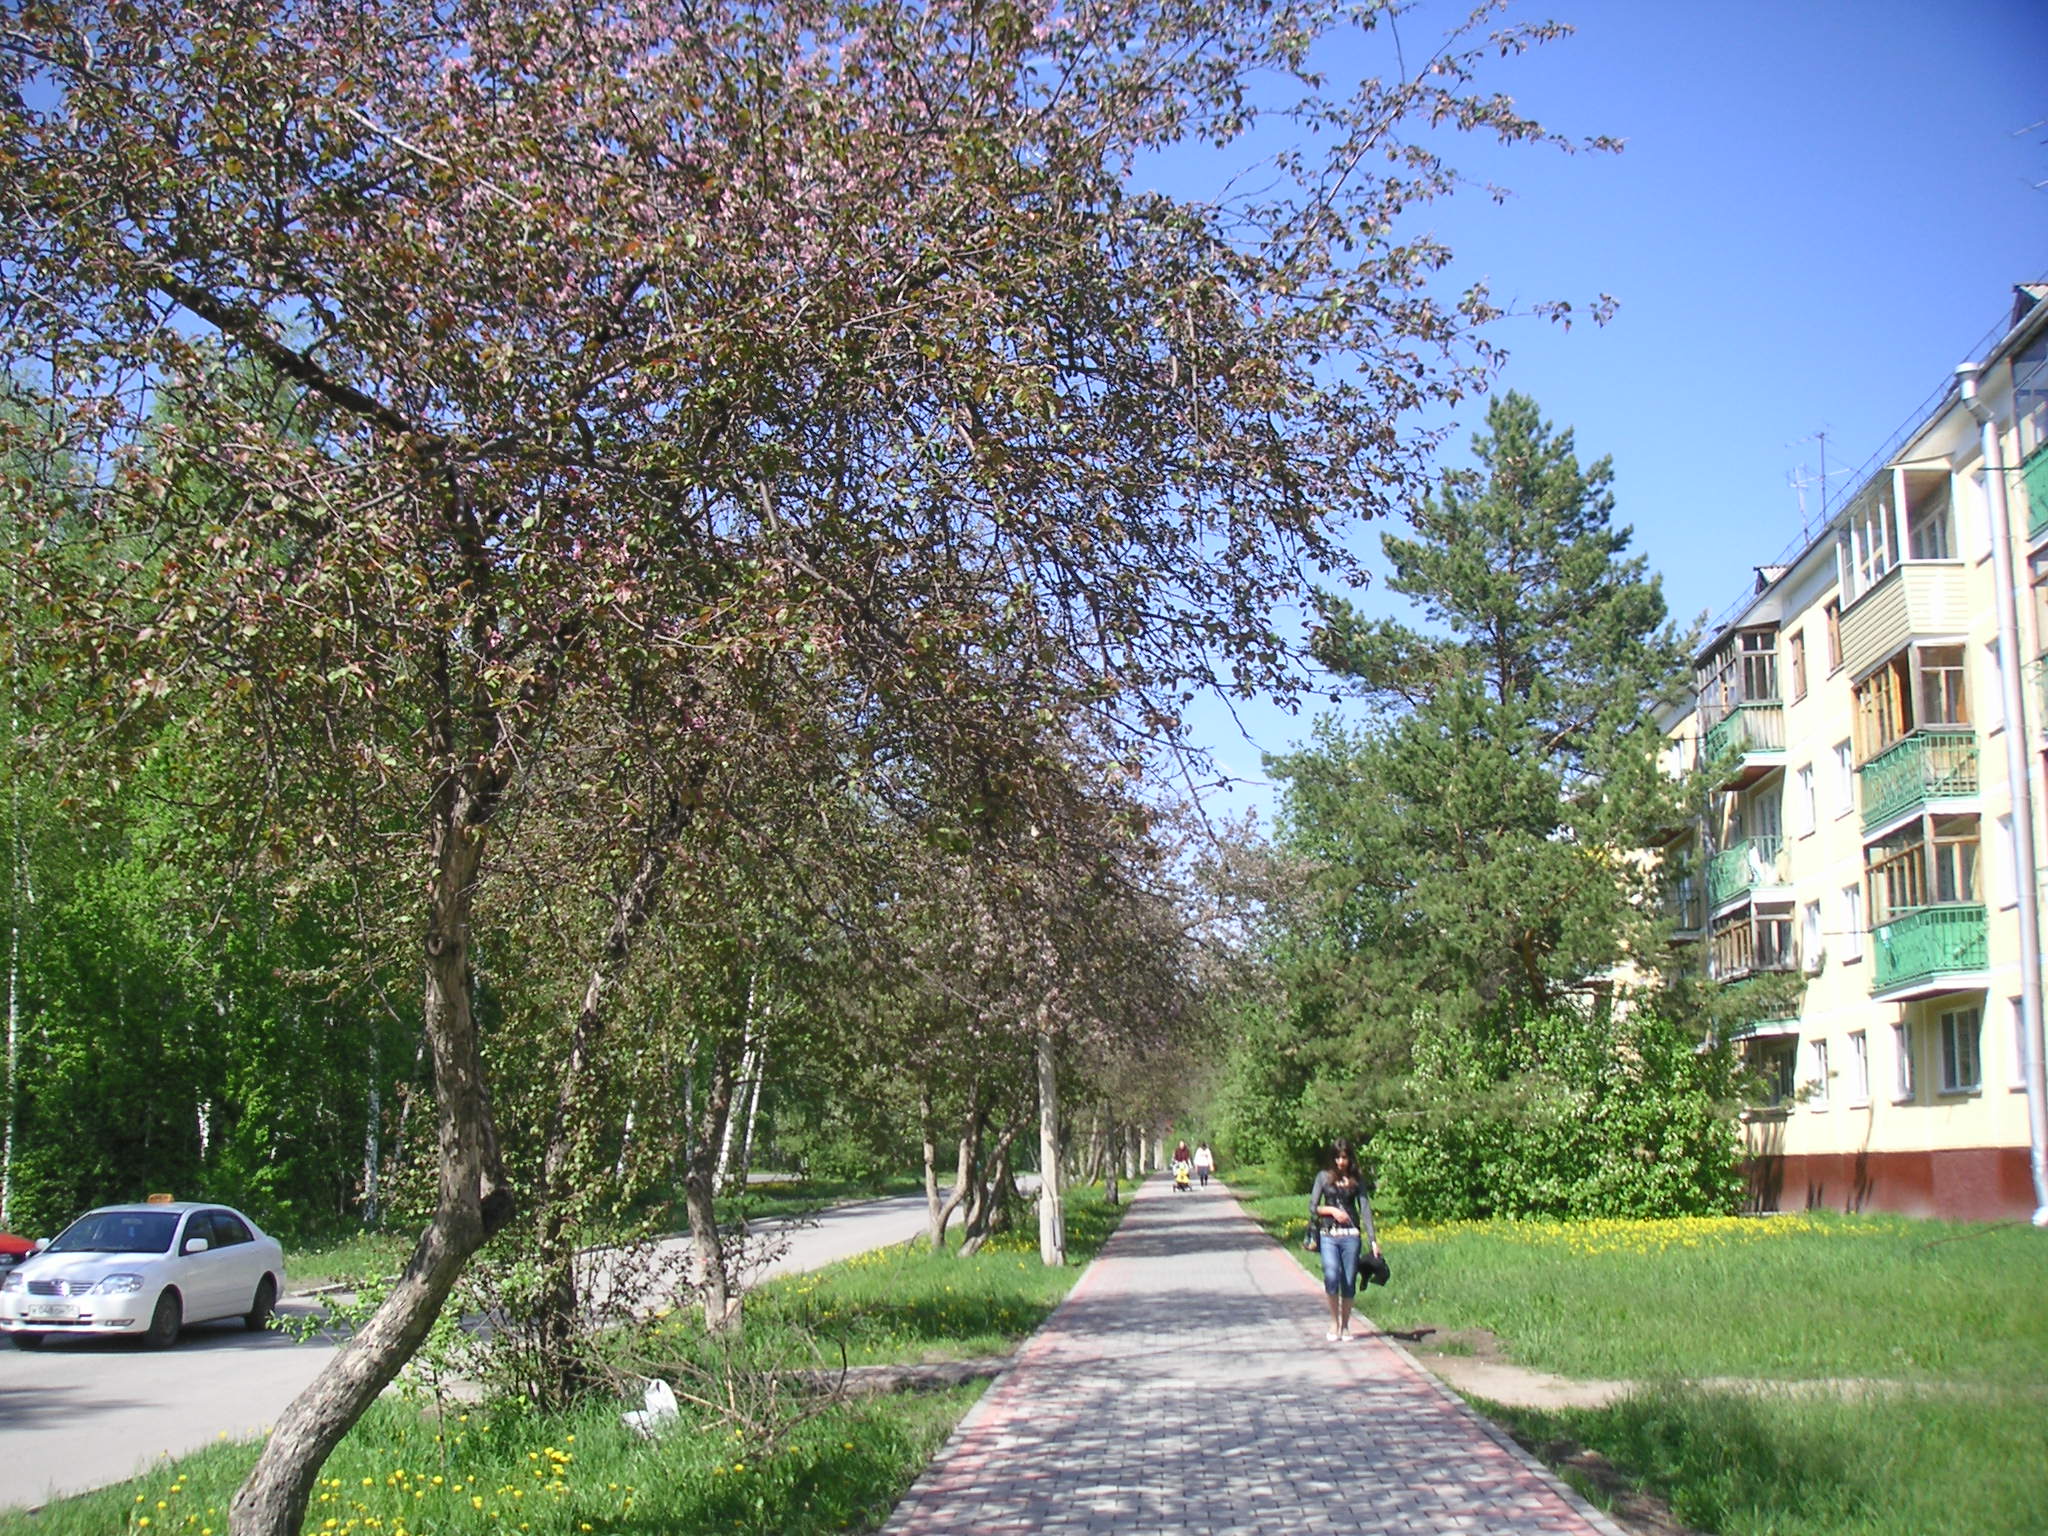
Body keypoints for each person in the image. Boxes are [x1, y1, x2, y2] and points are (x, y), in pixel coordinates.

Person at [1306, 1139, 1380, 1342]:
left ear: (1350, 1158)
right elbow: (1312, 1207)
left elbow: (1365, 1209)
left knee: (1348, 1280)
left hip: (1351, 1236)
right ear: (1332, 1158)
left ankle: (1345, 1325)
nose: (1341, 1162)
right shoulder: (1323, 1177)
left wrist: (1373, 1240)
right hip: (1329, 1235)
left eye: (1344, 1157)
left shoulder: (1357, 1179)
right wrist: (1331, 1210)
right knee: (1331, 1275)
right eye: (1337, 1158)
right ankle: (1334, 1322)